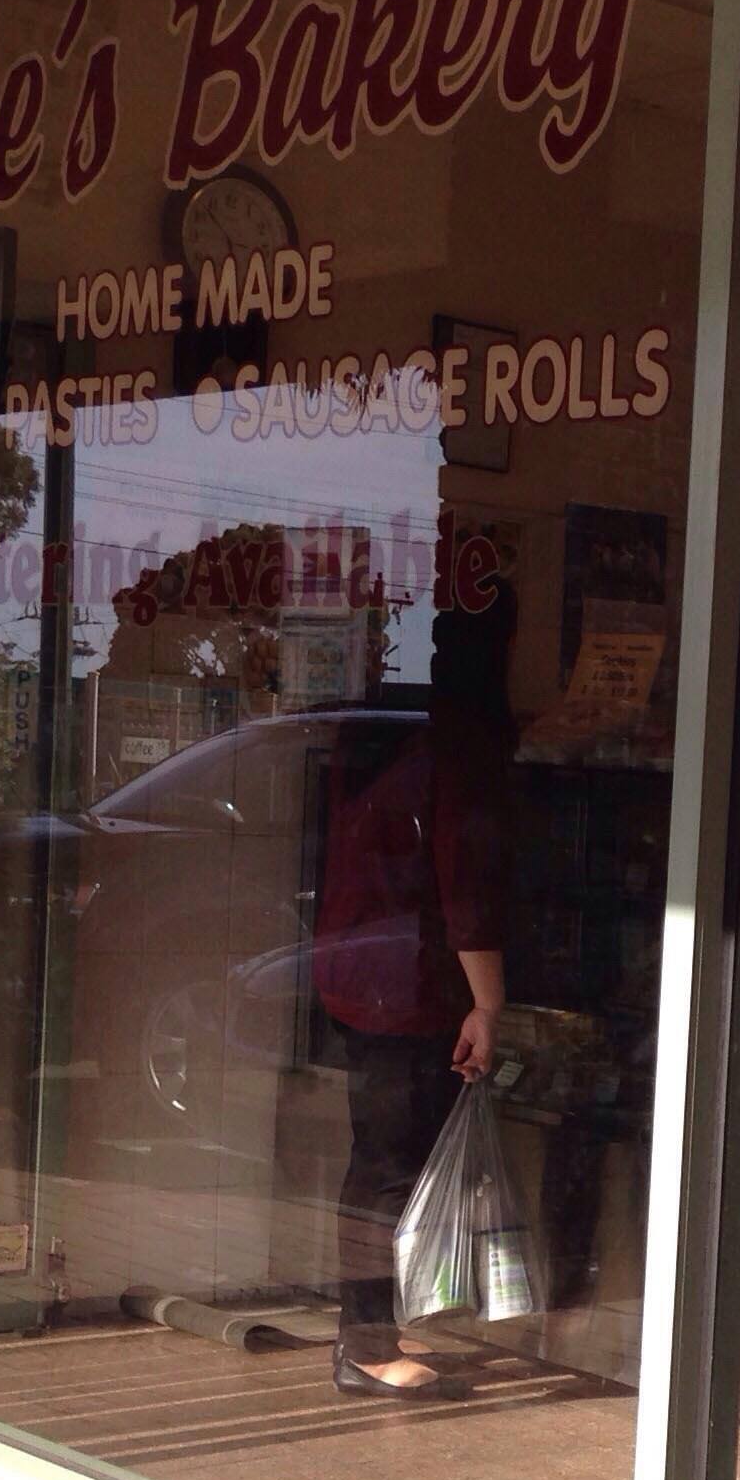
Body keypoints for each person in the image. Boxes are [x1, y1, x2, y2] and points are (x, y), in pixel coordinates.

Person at [311, 588, 514, 1398]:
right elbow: (466, 890)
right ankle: (364, 1342)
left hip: (360, 971)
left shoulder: (380, 737)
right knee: (388, 1167)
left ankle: (370, 1329)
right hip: (408, 984)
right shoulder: (457, 754)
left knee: (377, 1161)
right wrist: (489, 1006)